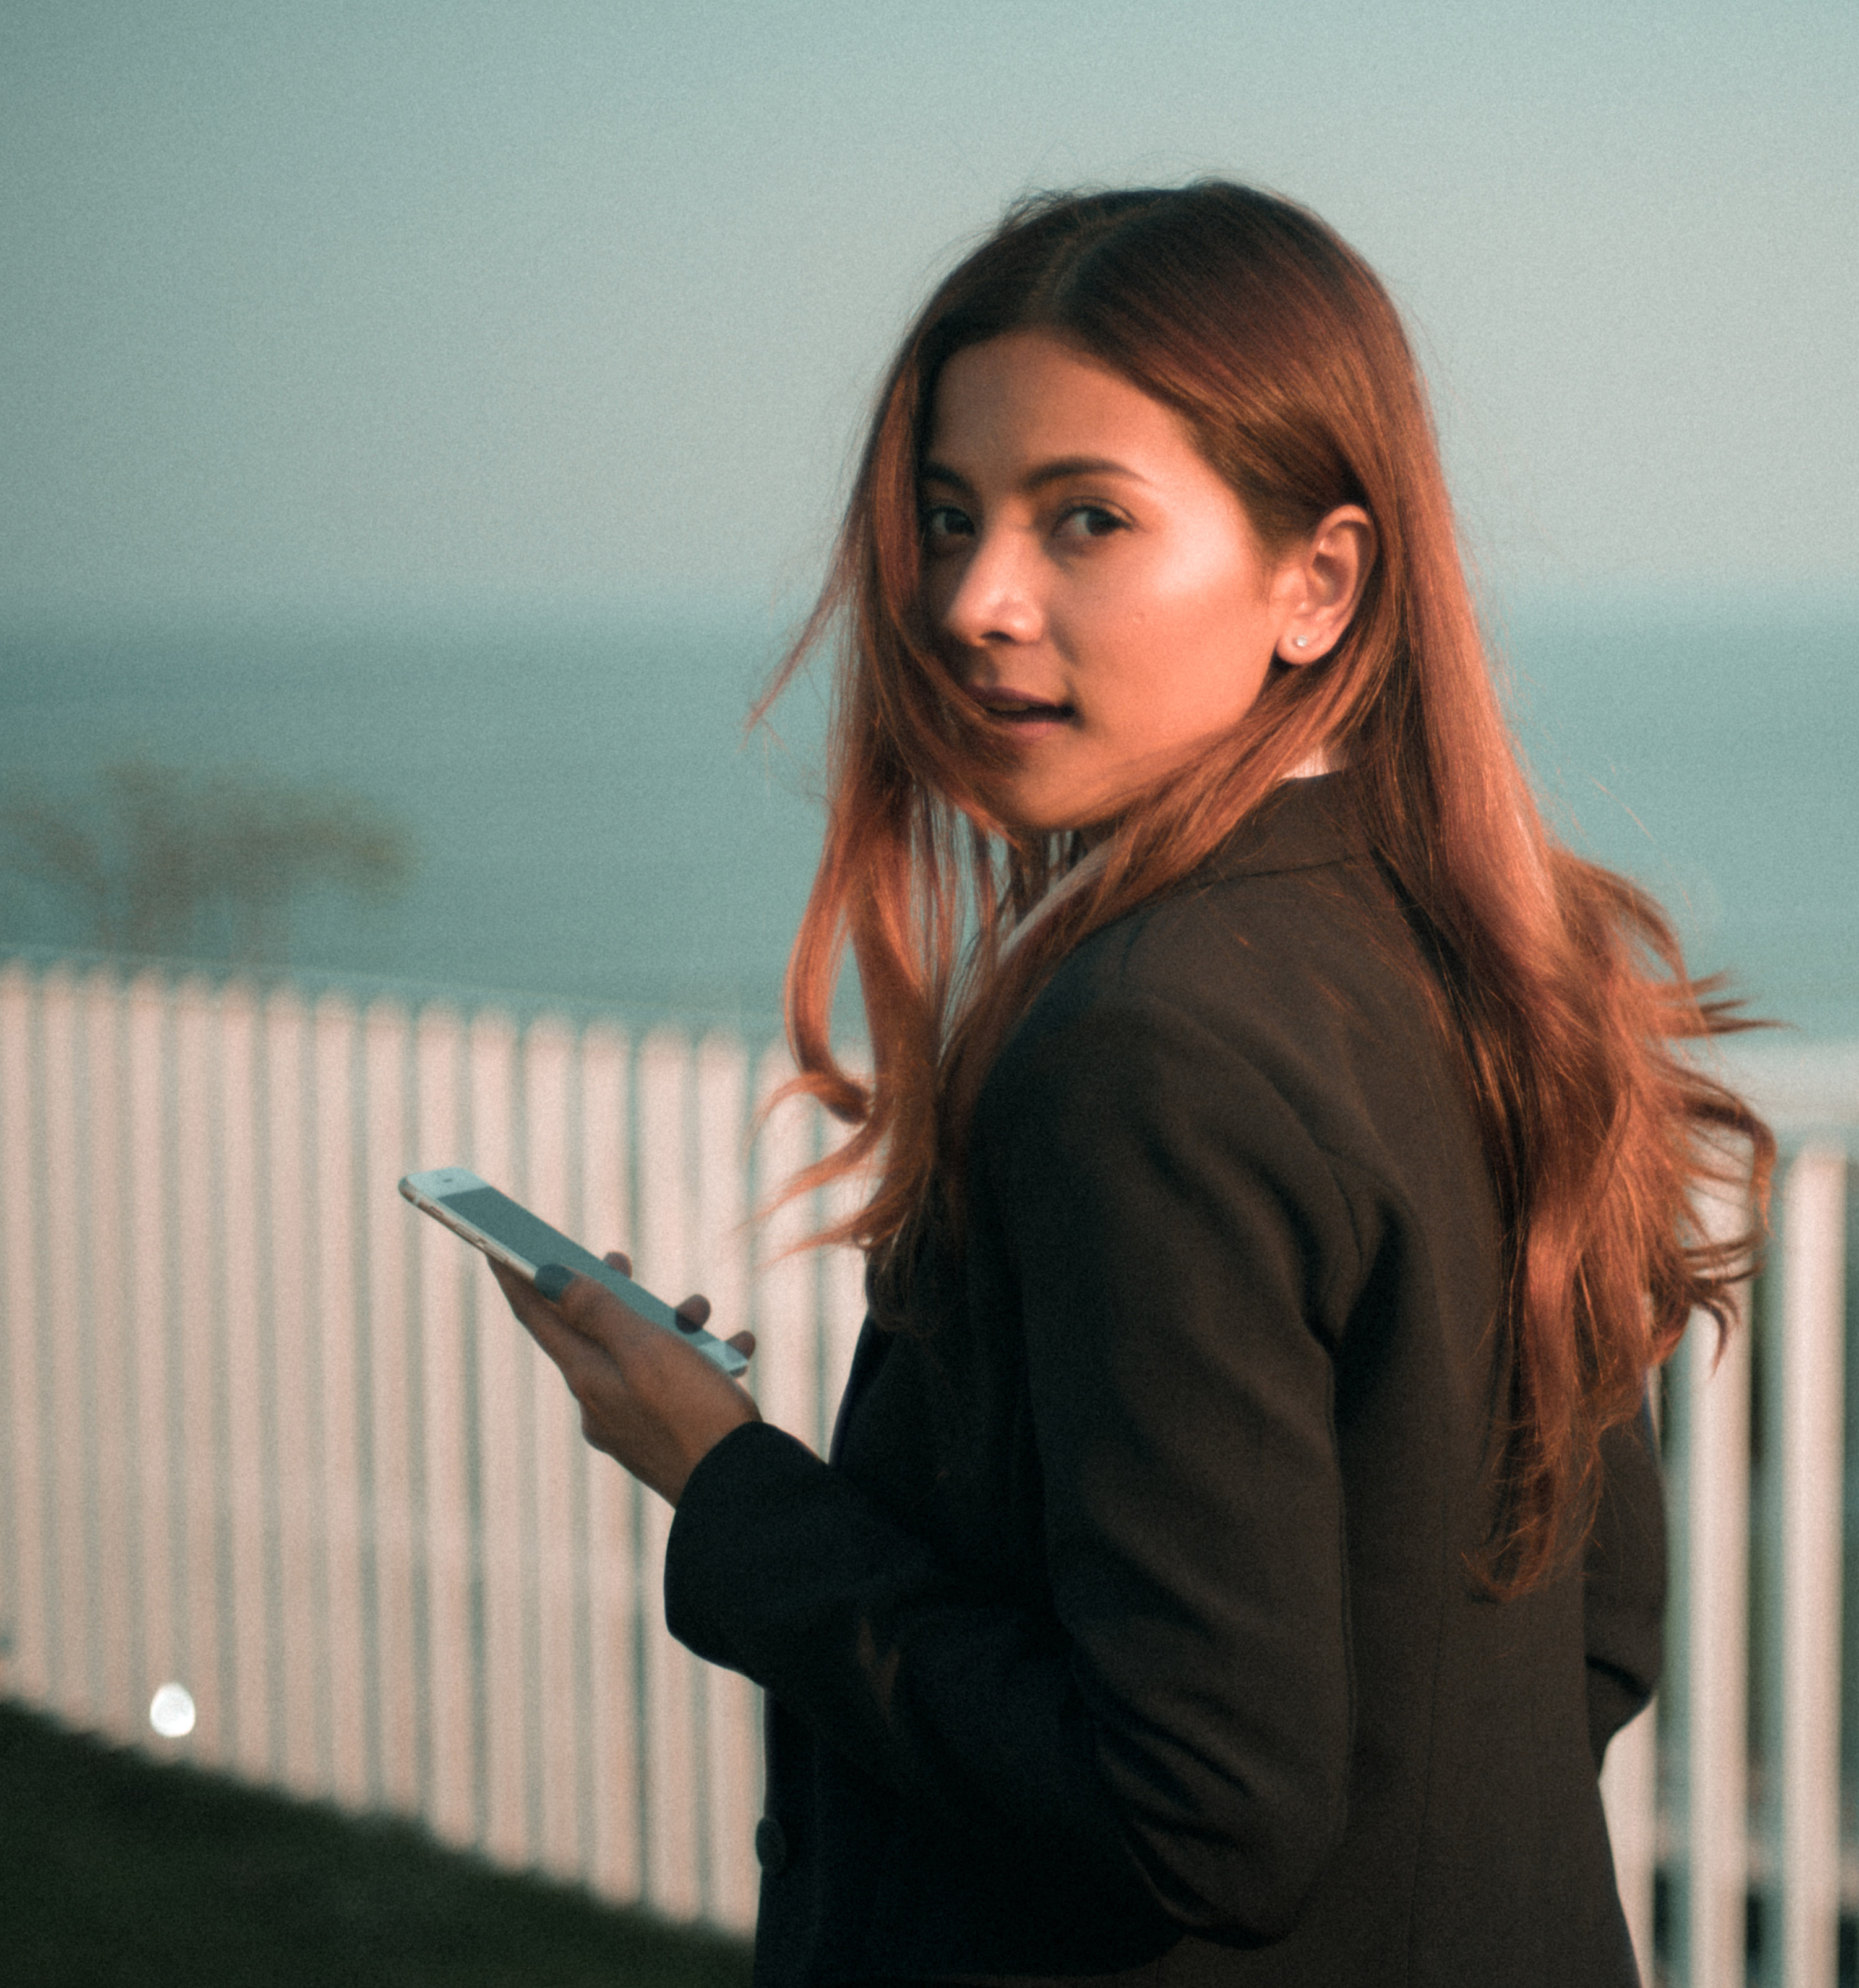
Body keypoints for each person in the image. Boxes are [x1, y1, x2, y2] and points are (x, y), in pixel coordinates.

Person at [492, 181, 1770, 1987]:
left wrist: (734, 1496)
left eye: (1083, 518)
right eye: (949, 520)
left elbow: (1201, 1813)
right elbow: (1591, 1640)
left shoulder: (1146, 1046)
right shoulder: (1484, 961)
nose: (970, 601)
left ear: (1317, 583)